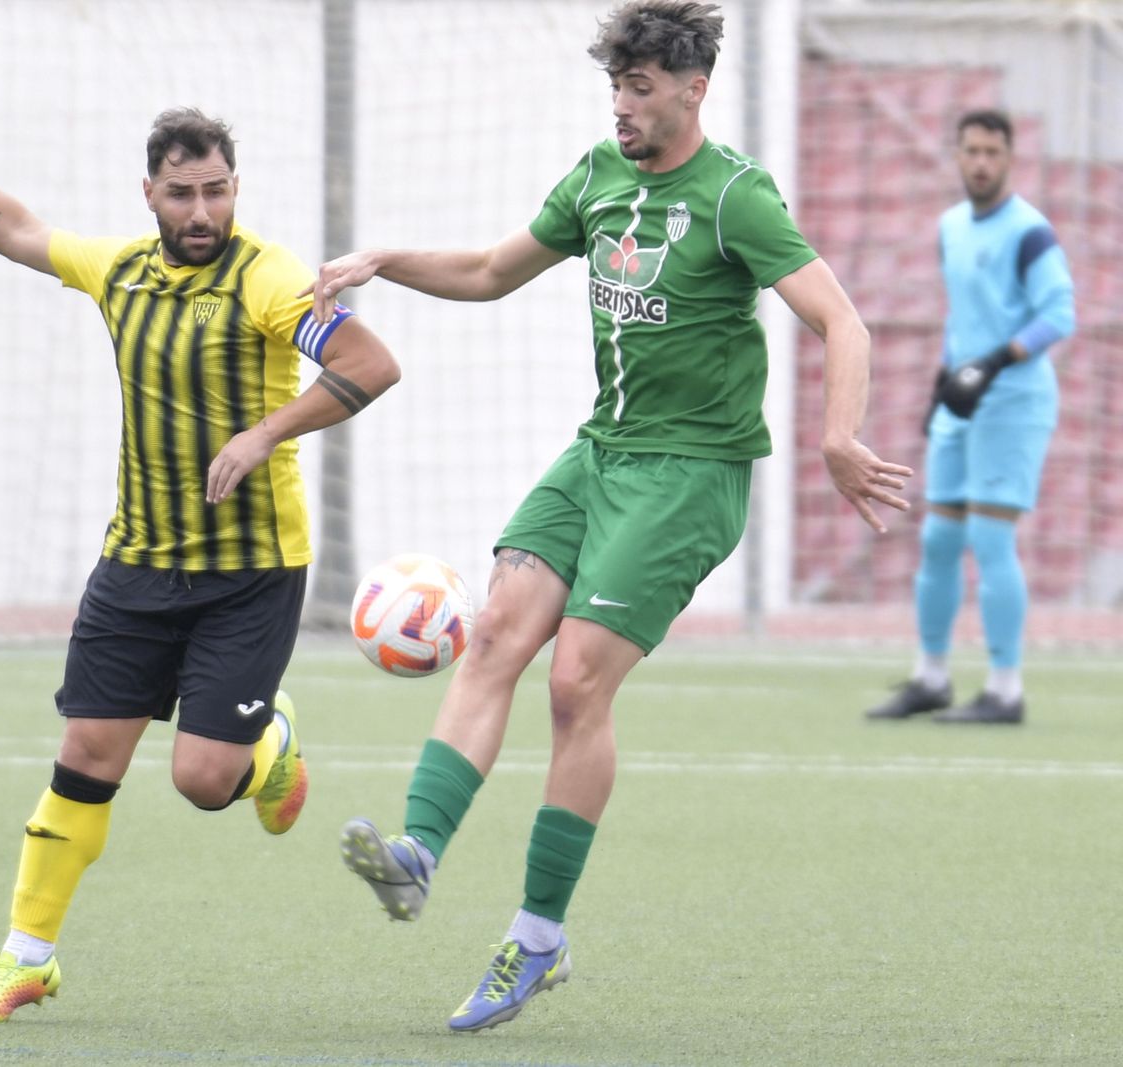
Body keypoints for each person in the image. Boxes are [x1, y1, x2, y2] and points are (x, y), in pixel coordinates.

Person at [308, 0, 911, 1033]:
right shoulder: (596, 178)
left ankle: (537, 934)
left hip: (692, 473)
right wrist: (383, 261)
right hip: (600, 452)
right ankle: (415, 852)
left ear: (692, 90)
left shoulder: (735, 197)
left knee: (576, 675)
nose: (624, 107)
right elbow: (493, 272)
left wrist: (836, 436)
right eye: (615, 87)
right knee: (494, 629)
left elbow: (838, 318)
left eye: (640, 89)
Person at [0, 97, 400, 1024]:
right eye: (184, 194)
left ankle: (267, 737)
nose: (203, 213)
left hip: (250, 572)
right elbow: (14, 227)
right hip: (137, 562)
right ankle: (26, 957)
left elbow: (370, 361)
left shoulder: (269, 280)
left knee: (201, 782)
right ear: (149, 193)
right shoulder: (119, 271)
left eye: (219, 192)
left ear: (237, 189)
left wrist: (261, 435)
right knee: (85, 752)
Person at [864, 109, 1074, 726]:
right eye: (971, 151)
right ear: (956, 155)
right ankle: (932, 678)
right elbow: (964, 315)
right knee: (938, 540)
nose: (981, 162)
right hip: (962, 398)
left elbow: (1059, 315)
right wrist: (943, 380)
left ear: (1010, 158)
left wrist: (994, 362)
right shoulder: (951, 227)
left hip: (1012, 402)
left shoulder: (1030, 231)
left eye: (992, 152)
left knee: (990, 539)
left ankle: (1005, 690)